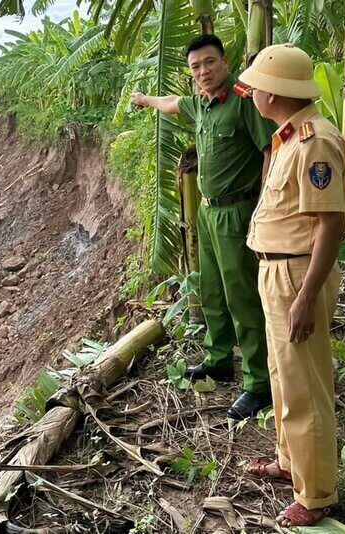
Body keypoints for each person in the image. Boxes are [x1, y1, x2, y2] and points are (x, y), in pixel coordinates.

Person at [130, 35, 274, 420]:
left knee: (242, 296)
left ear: (224, 63)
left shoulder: (244, 102)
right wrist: (144, 100)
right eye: (196, 67)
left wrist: (263, 206)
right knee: (211, 289)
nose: (203, 71)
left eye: (209, 63)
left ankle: (259, 384)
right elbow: (172, 104)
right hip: (208, 215)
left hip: (237, 212)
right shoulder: (201, 106)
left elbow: (270, 151)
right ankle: (219, 358)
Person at [237, 43, 345, 527]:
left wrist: (304, 298)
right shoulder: (288, 138)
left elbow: (330, 226)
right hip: (277, 271)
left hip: (297, 274)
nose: (252, 93)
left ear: (274, 92)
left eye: (255, 86)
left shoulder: (314, 142)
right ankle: (291, 463)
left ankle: (318, 494)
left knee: (305, 385)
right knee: (283, 377)